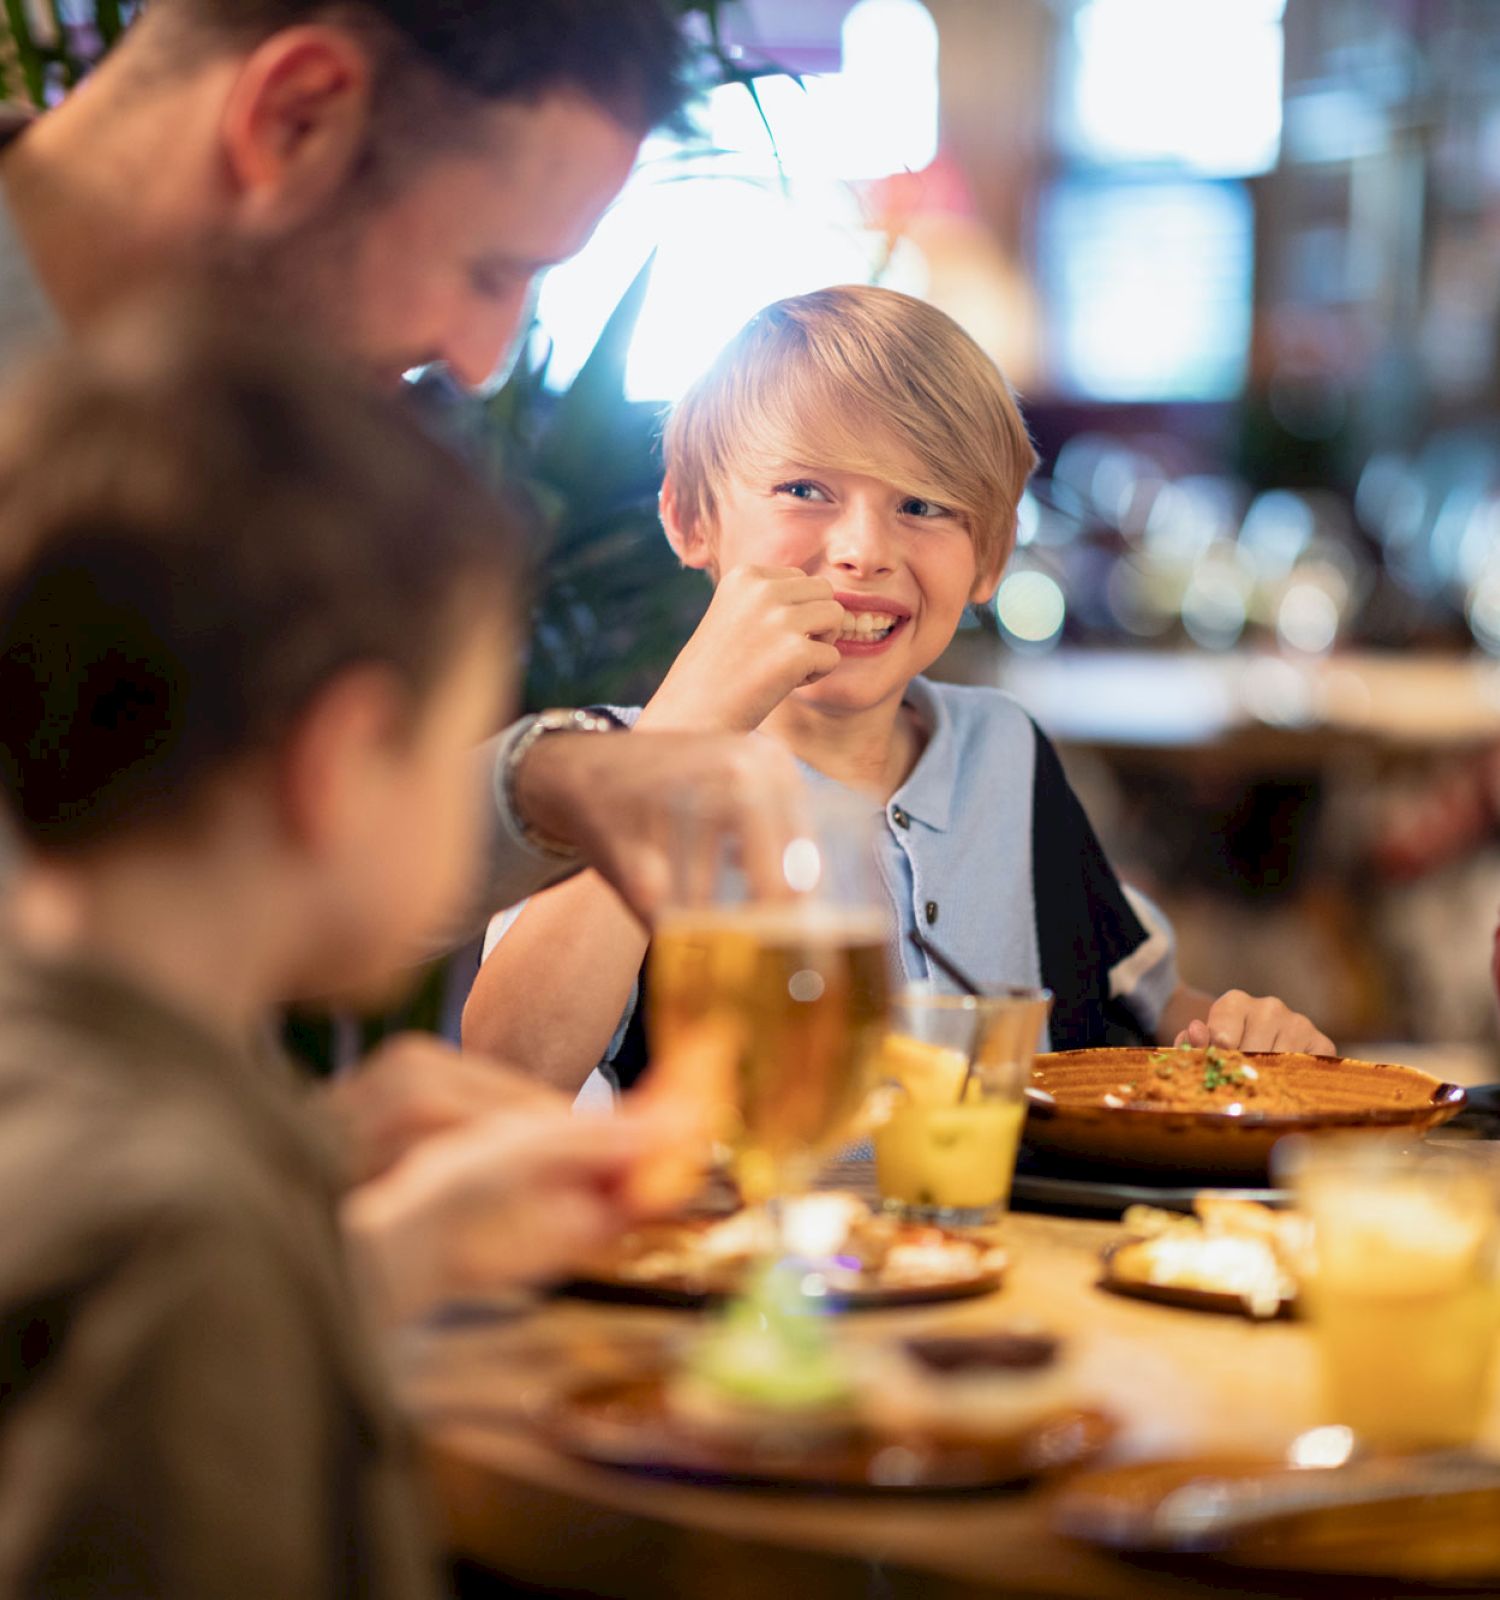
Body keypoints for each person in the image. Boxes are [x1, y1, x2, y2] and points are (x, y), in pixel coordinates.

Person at [0, 0, 806, 1163]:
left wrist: (555, 787)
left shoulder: (215, 413)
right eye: (489, 268)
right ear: (296, 116)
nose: (482, 360)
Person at [0, 315, 700, 1597]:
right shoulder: (186, 1237)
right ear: (341, 763)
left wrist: (367, 1249)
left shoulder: (78, 1085)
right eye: (456, 741)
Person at [465, 285, 1335, 1095]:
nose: (863, 552)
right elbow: (510, 1068)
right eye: (804, 489)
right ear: (694, 522)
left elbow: (1144, 1004)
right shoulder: (602, 770)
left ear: (989, 558)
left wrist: (1235, 1034)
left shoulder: (1005, 753)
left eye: (924, 505)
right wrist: (678, 737)